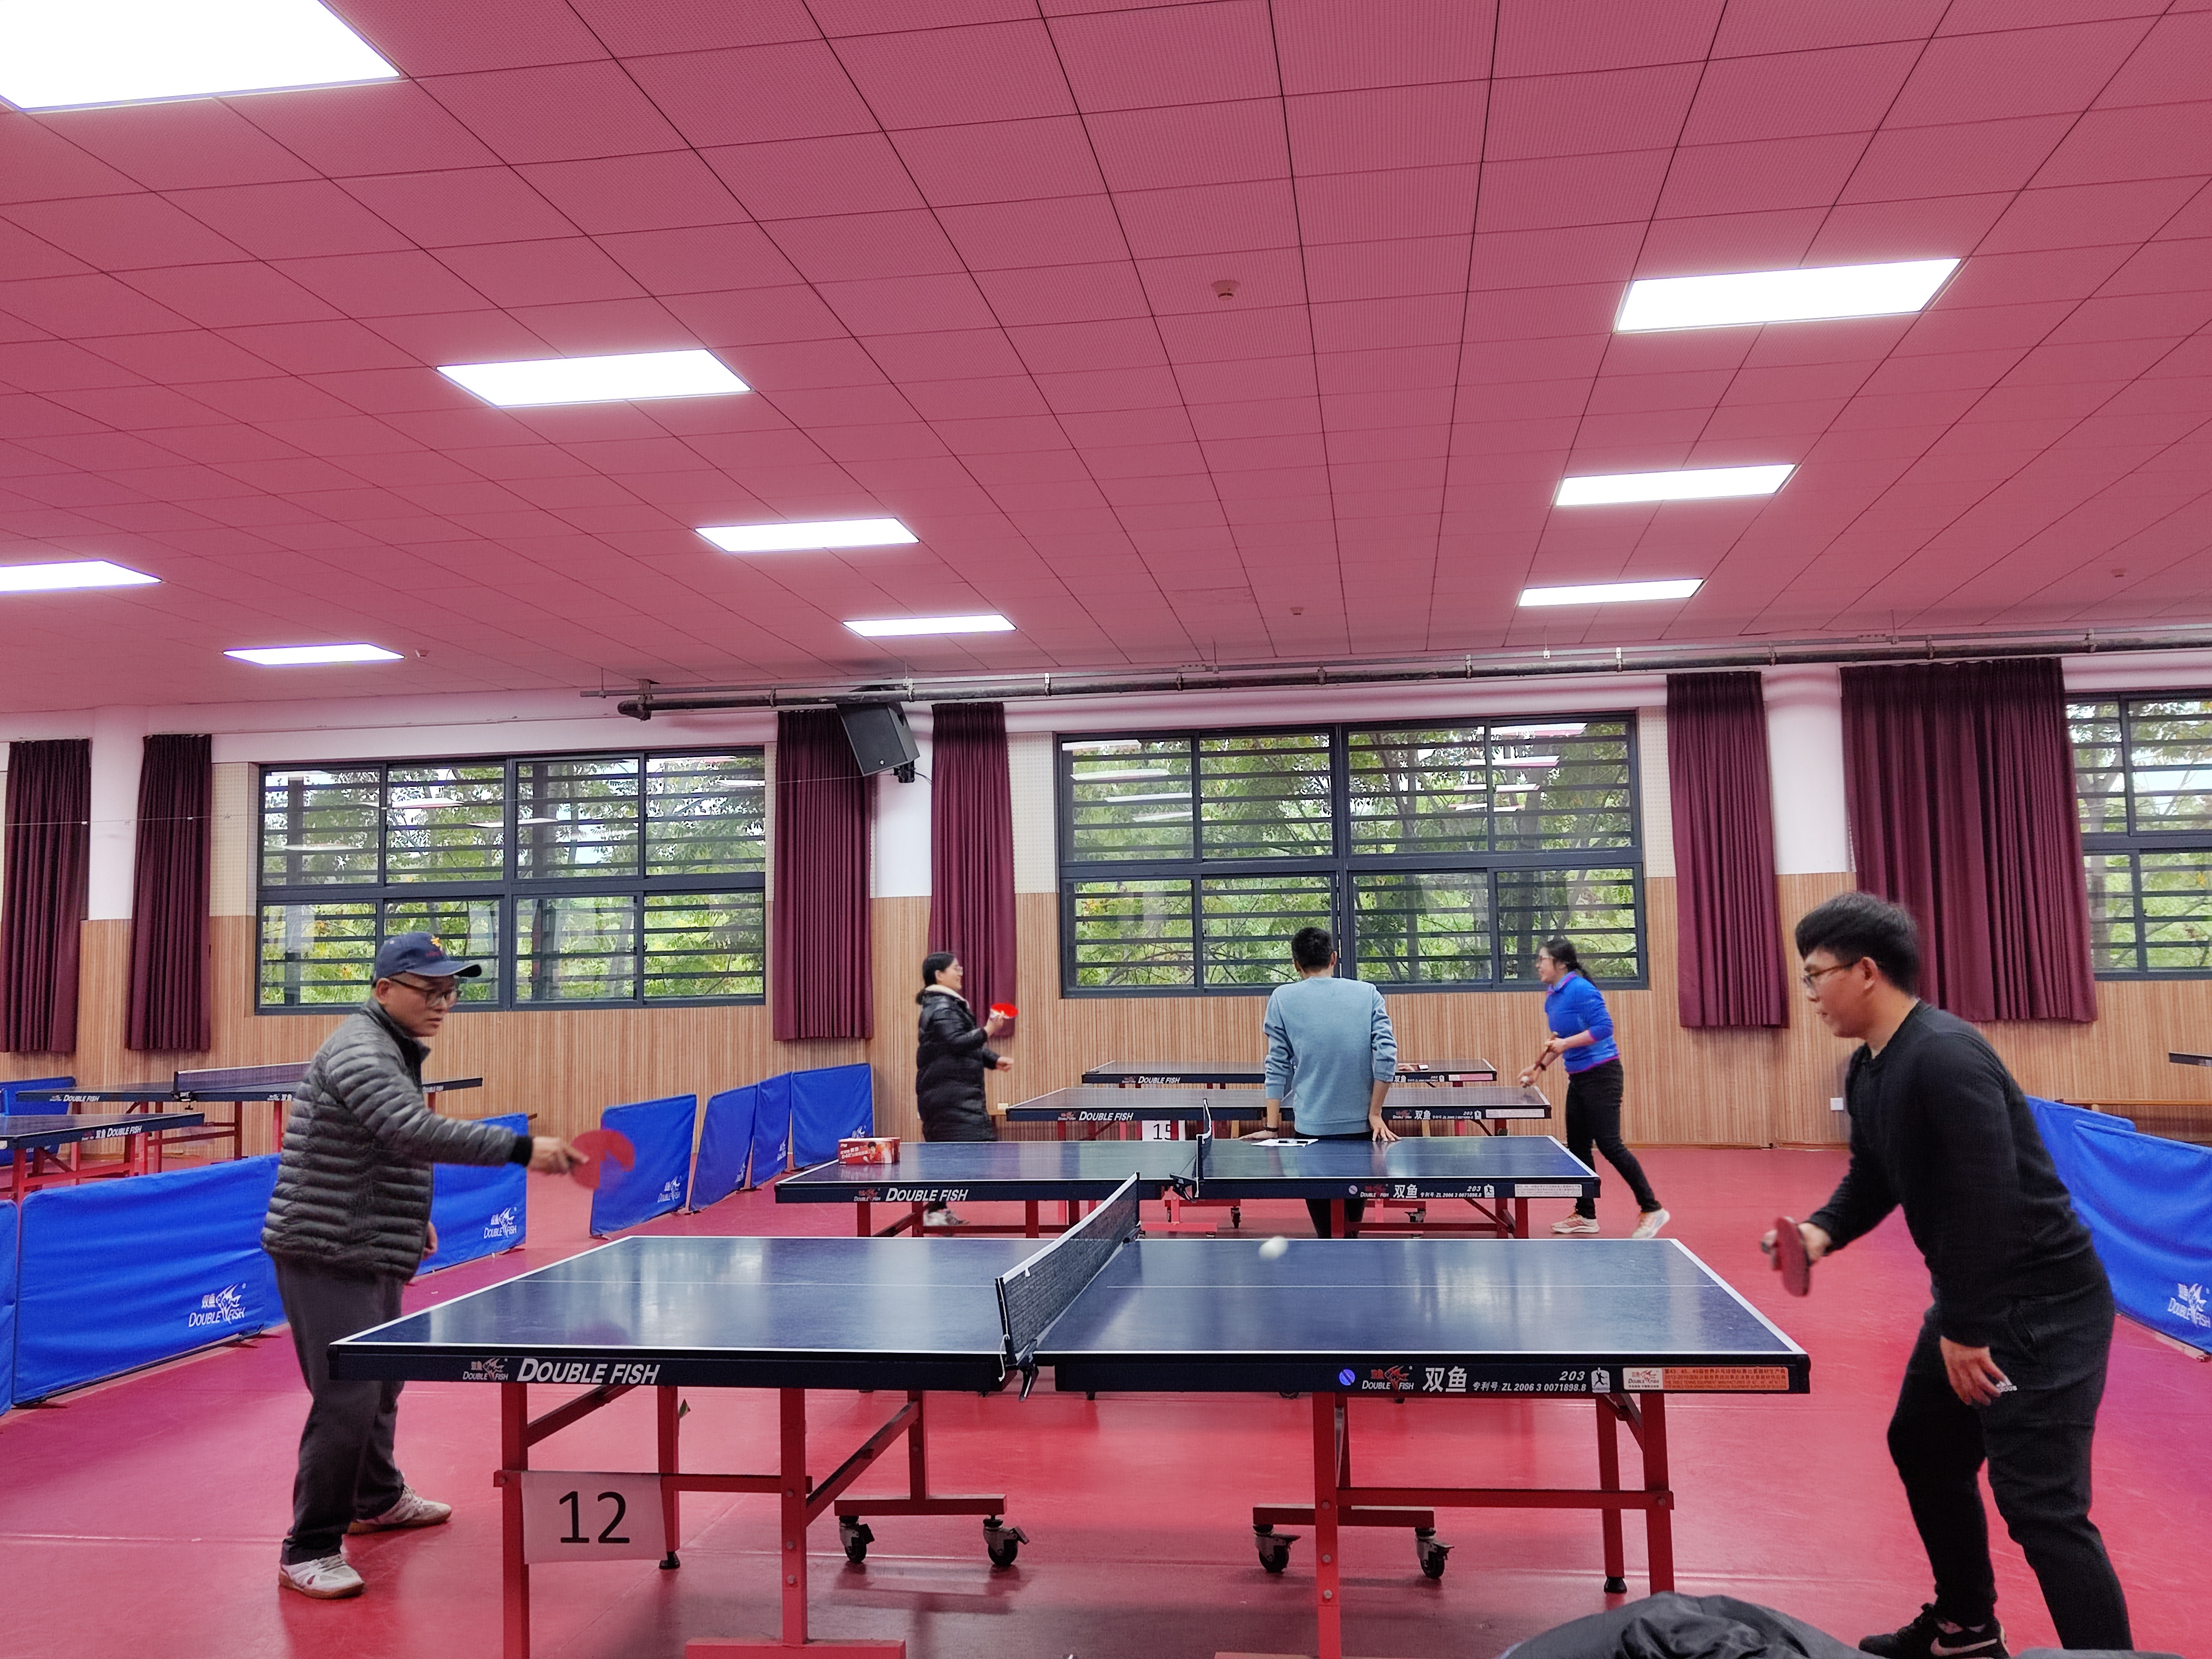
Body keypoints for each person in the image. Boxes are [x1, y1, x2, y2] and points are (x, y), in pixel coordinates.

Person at [1777, 892, 2130, 1659]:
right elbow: (1875, 1173)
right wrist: (1819, 1232)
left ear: (1865, 971)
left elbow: (1990, 1197)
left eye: (1815, 976)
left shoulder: (1945, 1055)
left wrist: (1967, 1330)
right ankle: (1965, 1627)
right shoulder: (1870, 1068)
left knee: (2042, 1507)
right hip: (1977, 1299)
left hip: (2042, 1306)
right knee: (1925, 1447)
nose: (1809, 995)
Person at [261, 934, 581, 1600]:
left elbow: (376, 1149)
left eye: (451, 991)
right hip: (325, 1251)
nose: (444, 1003)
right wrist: (522, 1149)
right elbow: (410, 1131)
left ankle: (376, 1500)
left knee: (381, 1382)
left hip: (366, 1238)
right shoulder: (362, 1050)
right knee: (346, 1397)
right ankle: (309, 1547)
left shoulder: (392, 1045)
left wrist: (410, 1216)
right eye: (429, 990)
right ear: (384, 990)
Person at [1520, 936, 1668, 1238]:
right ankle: (1586, 1214)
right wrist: (1539, 1068)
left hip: (1603, 1075)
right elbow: (1559, 1039)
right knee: (1577, 1147)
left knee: (1610, 1144)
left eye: (1543, 959)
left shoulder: (1581, 989)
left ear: (1561, 964)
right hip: (1578, 1078)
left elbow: (1603, 1029)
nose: (1538, 965)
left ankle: (1652, 1209)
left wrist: (1565, 1044)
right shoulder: (1552, 996)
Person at [1262, 925, 1398, 1237]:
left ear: (1296, 964)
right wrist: (1375, 1113)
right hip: (1362, 1130)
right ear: (1334, 958)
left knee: (1326, 1231)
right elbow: (1387, 1056)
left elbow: (1277, 1066)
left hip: (1311, 1130)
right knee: (1351, 1228)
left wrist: (1271, 1128)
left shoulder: (1282, 998)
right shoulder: (1368, 993)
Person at [914, 950, 1010, 1227]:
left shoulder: (948, 1005)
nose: (960, 972)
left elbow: (959, 1046)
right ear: (939, 975)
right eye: (955, 968)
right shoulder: (941, 1008)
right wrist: (989, 1029)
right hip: (946, 1097)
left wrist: (993, 1060)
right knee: (956, 1153)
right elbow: (957, 1043)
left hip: (952, 1094)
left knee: (948, 1155)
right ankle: (935, 1213)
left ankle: (936, 1213)